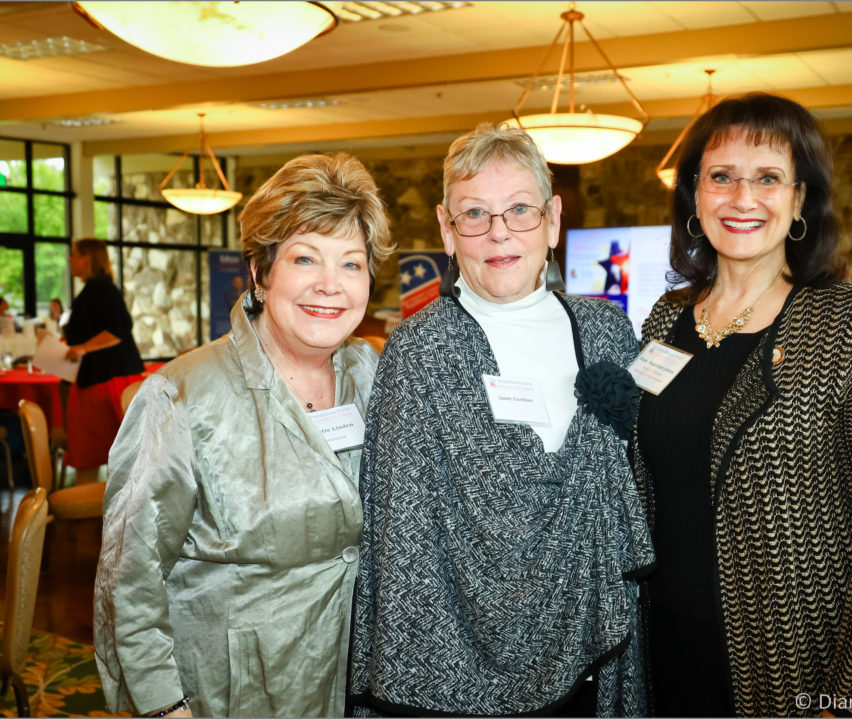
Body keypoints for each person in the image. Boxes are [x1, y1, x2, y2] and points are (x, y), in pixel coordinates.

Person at [632, 91, 852, 718]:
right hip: (665, 649)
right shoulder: (664, 319)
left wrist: (848, 698)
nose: (742, 198)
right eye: (722, 177)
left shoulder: (848, 323)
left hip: (801, 662)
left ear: (799, 201)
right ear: (694, 196)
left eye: (768, 178)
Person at [349, 123, 654, 717]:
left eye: (519, 209)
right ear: (446, 228)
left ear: (552, 220)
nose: (499, 232)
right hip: (451, 667)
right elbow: (401, 538)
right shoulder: (419, 352)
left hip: (594, 655)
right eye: (475, 214)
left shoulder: (607, 334)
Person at [94, 152, 393, 718]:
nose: (330, 285)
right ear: (260, 271)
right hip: (231, 693)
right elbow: (127, 577)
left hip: (354, 684)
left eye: (351, 264)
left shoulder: (374, 376)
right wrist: (161, 707)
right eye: (305, 258)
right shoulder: (182, 396)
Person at [63, 239, 145, 484]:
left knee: (112, 452)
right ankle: (90, 503)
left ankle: (99, 504)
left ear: (87, 258)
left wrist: (82, 347)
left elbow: (121, 327)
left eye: (74, 255)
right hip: (98, 377)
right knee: (94, 451)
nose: (70, 259)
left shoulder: (101, 288)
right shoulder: (94, 289)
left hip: (108, 379)